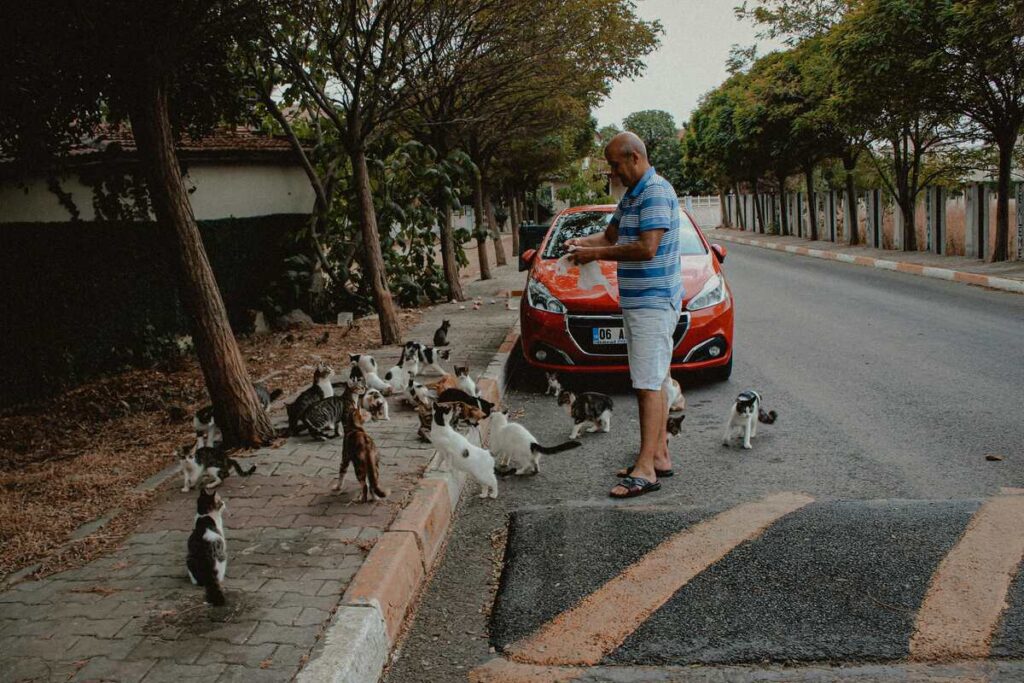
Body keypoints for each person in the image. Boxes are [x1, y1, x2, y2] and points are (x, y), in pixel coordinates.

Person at [564, 131, 682, 498]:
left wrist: (596, 256)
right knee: (656, 380)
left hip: (653, 301)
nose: (613, 173)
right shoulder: (633, 195)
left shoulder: (656, 192)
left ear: (634, 157)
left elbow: (647, 248)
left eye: (615, 165)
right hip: (638, 301)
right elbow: (611, 235)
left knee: (647, 385)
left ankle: (645, 471)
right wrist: (582, 245)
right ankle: (659, 455)